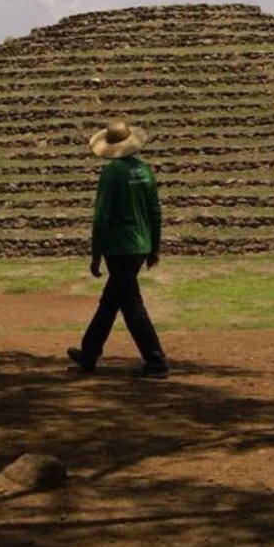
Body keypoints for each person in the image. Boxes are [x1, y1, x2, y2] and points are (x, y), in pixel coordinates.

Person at [67, 120, 169, 379]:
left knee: (131, 305)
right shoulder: (145, 171)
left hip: (118, 246)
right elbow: (155, 212)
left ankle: (156, 362)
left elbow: (102, 215)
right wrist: (154, 247)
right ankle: (88, 353)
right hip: (140, 245)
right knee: (111, 300)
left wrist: (96, 254)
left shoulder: (111, 173)